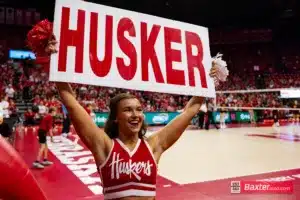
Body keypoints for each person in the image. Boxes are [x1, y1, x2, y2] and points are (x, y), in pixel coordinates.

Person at [27, 19, 227, 199]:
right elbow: (71, 102)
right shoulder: (104, 146)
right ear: (115, 118)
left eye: (139, 110)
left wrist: (206, 80)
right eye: (128, 110)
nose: (136, 115)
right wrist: (54, 60)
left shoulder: (154, 145)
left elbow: (189, 111)